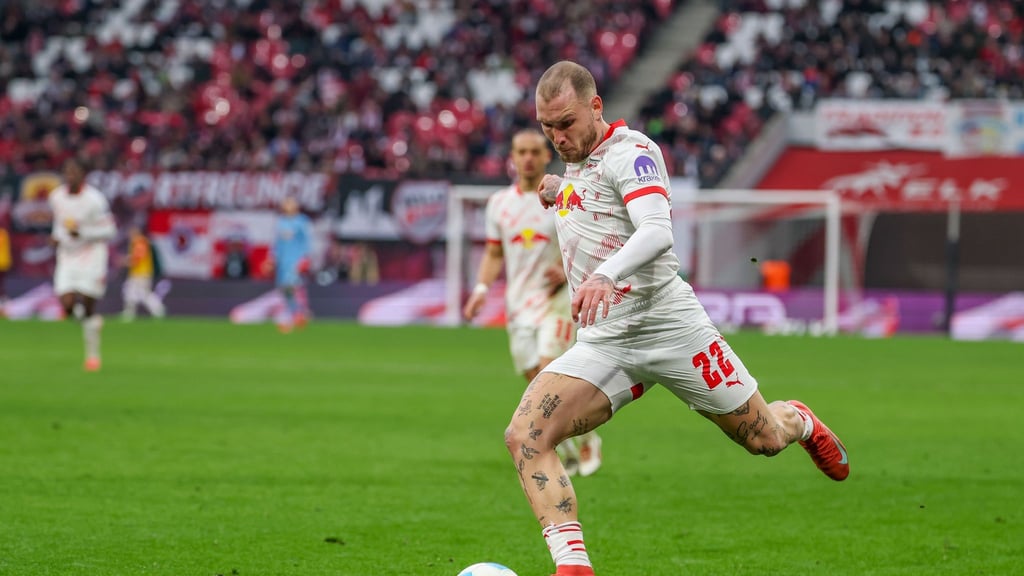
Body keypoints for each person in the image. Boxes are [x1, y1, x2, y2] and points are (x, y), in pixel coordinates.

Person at [505, 61, 850, 576]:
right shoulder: (576, 162)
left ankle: (797, 419)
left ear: (597, 107)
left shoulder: (634, 153)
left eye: (566, 123)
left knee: (764, 441)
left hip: (672, 328)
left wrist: (605, 275)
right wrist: (562, 193)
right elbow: (594, 206)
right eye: (546, 126)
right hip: (605, 342)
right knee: (526, 436)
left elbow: (655, 231)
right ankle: (573, 567)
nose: (557, 137)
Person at [464, 129, 603, 478]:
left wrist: (567, 269)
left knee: (548, 369)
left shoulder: (564, 196)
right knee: (535, 381)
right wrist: (481, 288)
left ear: (546, 156)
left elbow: (590, 238)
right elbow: (495, 252)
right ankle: (575, 444)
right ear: (512, 157)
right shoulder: (500, 204)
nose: (527, 158)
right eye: (520, 152)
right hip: (518, 306)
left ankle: (579, 442)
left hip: (557, 302)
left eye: (533, 152)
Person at [49, 158, 116, 371]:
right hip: (67, 256)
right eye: (67, 173)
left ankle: (93, 356)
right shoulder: (56, 197)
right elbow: (60, 224)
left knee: (88, 303)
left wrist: (83, 233)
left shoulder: (95, 200)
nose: (70, 177)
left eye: (74, 173)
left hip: (92, 255)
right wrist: (56, 237)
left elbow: (110, 231)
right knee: (67, 304)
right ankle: (91, 322)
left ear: (82, 175)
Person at [266, 196, 312, 333]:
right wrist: (271, 259)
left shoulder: (302, 222)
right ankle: (299, 313)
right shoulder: (281, 222)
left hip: (295, 262)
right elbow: (277, 244)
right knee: (285, 289)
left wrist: (305, 259)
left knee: (292, 287)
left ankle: (288, 320)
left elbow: (306, 242)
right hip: (283, 263)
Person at [121, 225, 166, 321]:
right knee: (131, 292)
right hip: (139, 273)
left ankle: (157, 309)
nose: (129, 234)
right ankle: (129, 313)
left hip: (141, 273)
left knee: (143, 294)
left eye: (131, 232)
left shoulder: (139, 242)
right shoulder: (139, 241)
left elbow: (137, 257)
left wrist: (126, 261)